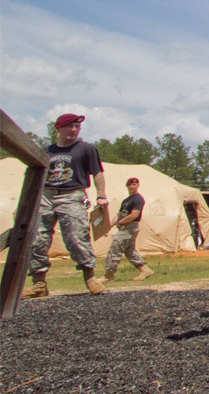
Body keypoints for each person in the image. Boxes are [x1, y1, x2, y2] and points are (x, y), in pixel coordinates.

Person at [24, 113, 107, 297]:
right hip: (46, 195)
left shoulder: (86, 149)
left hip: (72, 194)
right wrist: (27, 203)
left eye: (76, 126)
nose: (73, 130)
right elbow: (35, 175)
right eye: (69, 126)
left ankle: (90, 278)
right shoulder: (46, 151)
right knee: (37, 238)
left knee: (76, 236)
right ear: (58, 128)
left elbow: (98, 173)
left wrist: (101, 195)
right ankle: (39, 284)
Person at [104, 177, 154, 282]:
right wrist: (108, 227)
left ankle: (109, 274)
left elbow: (134, 215)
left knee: (115, 248)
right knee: (129, 251)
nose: (132, 187)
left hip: (129, 227)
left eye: (134, 184)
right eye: (130, 185)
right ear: (127, 186)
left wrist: (120, 222)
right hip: (124, 227)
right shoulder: (126, 201)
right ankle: (144, 269)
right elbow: (119, 215)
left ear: (138, 185)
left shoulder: (138, 199)